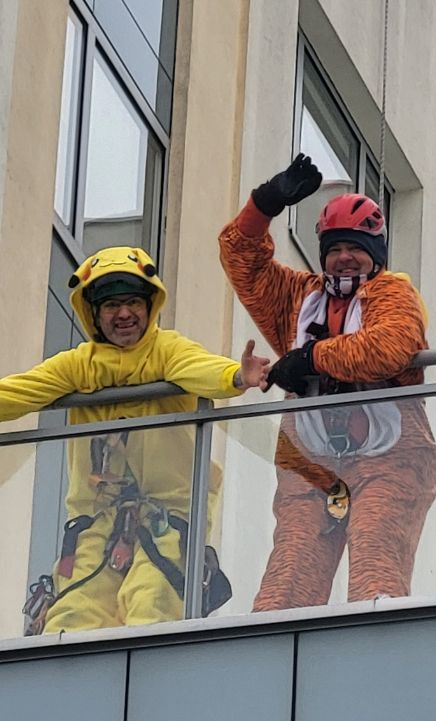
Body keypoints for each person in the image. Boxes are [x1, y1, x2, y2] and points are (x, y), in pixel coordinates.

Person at [218, 154, 436, 610]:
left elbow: (390, 345)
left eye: (356, 247)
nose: (343, 258)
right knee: (287, 579)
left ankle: (373, 657)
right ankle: (277, 663)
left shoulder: (391, 292)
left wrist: (311, 358)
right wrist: (264, 204)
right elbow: (241, 258)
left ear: (375, 253)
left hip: (390, 455)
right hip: (311, 461)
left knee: (376, 569)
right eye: (334, 248)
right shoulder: (300, 299)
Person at [5, 247, 269, 634]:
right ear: (93, 313)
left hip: (167, 519)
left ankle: (146, 691)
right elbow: (19, 392)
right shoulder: (80, 364)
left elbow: (201, 368)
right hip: (95, 522)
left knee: (153, 604)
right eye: (111, 305)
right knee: (71, 617)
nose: (124, 314)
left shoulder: (167, 351)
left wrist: (236, 376)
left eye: (132, 302)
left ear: (150, 306)